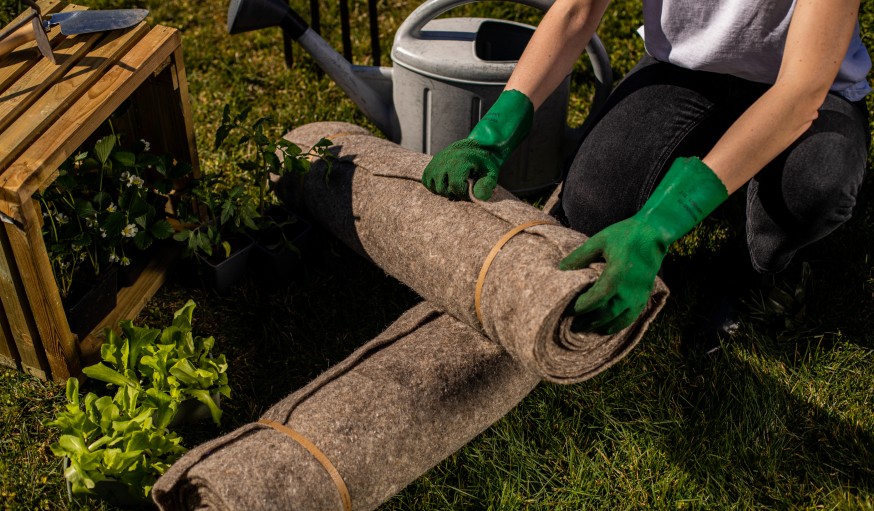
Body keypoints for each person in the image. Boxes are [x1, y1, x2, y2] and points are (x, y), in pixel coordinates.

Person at [421, 0, 871, 337]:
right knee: (592, 206)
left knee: (812, 186)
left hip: (807, 87)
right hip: (685, 67)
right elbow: (577, 10)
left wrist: (659, 224)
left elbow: (799, 92)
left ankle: (764, 269)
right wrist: (494, 131)